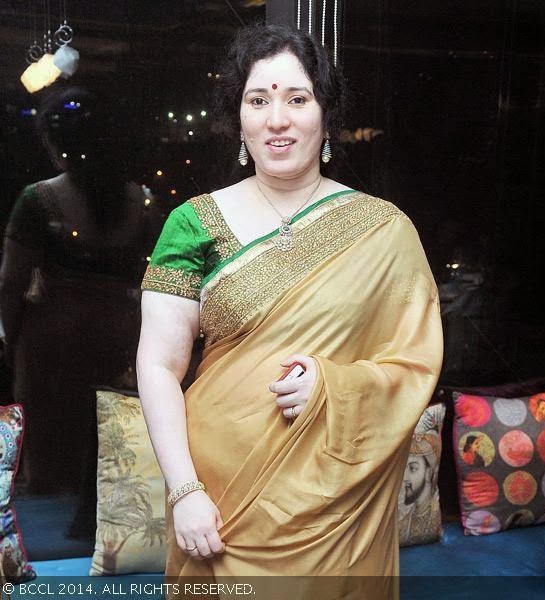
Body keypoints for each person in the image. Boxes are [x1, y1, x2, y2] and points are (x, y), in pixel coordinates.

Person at [137, 23, 443, 598]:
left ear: (325, 116)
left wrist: (334, 387)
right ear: (240, 119)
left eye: (297, 99)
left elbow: (414, 365)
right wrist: (183, 492)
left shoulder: (384, 229)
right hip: (218, 505)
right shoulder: (193, 223)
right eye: (258, 100)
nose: (277, 119)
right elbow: (158, 367)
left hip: (337, 510)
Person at [0, 86, 158, 534]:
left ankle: (47, 553)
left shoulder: (37, 199)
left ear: (56, 143)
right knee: (109, 446)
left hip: (53, 338)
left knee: (52, 453)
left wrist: (10, 339)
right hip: (120, 334)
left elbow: (11, 281)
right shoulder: (141, 200)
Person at [398, 433, 442, 546]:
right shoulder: (404, 522)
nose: (405, 478)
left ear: (428, 473)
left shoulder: (432, 515)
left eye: (413, 469)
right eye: (403, 469)